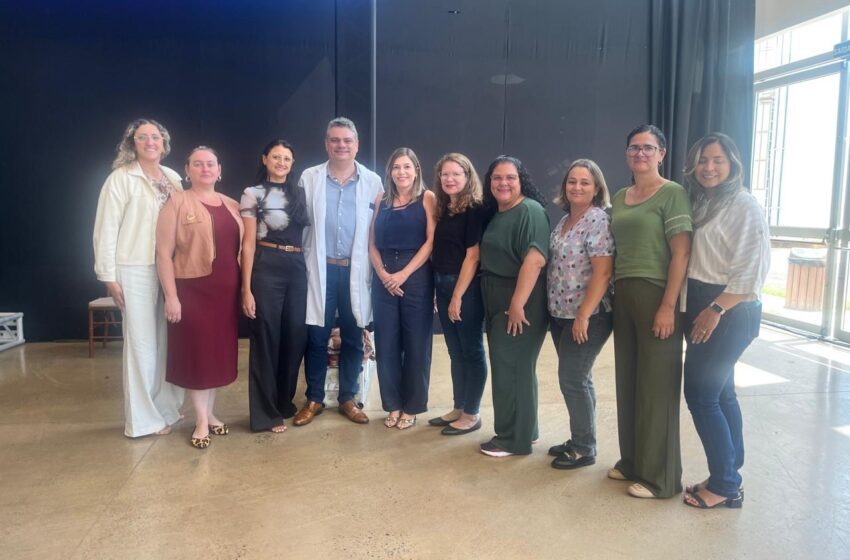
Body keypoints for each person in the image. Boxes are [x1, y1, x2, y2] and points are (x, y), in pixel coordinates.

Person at [681, 133, 769, 509]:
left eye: (717, 160)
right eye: (702, 160)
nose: (709, 167)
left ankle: (725, 485)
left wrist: (715, 309)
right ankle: (730, 471)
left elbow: (752, 271)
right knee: (722, 393)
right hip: (705, 301)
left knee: (700, 395)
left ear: (732, 163)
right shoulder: (704, 202)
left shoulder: (745, 205)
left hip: (730, 308)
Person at [610, 124, 692, 498]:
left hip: (656, 294)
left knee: (656, 387)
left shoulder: (672, 194)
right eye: (633, 148)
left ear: (662, 152)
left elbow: (682, 253)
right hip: (624, 294)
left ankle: (660, 478)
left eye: (648, 148)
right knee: (629, 381)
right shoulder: (621, 194)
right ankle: (633, 462)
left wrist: (667, 307)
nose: (640, 154)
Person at [93, 118, 185, 438]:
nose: (150, 142)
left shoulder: (173, 177)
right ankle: (143, 421)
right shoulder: (120, 178)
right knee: (142, 345)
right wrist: (108, 275)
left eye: (155, 137)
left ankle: (165, 408)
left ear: (164, 143)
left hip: (169, 268)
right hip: (134, 268)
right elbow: (106, 228)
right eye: (142, 137)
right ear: (132, 143)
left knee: (165, 343)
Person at [294, 117, 384, 426]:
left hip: (355, 271)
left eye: (347, 140)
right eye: (335, 140)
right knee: (316, 335)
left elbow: (378, 229)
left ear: (357, 145)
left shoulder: (373, 181)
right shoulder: (310, 177)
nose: (341, 145)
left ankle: (348, 396)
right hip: (320, 269)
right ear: (326, 144)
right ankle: (315, 398)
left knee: (353, 334)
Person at [155, 146, 243, 449]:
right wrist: (171, 296)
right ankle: (201, 421)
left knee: (217, 356)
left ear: (220, 170)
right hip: (192, 292)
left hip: (225, 294)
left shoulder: (232, 205)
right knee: (198, 356)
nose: (205, 169)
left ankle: (211, 413)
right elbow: (163, 255)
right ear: (187, 169)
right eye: (198, 164)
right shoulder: (176, 203)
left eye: (210, 164)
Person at [478, 156, 550, 457]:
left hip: (520, 300)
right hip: (497, 295)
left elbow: (535, 259)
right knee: (515, 367)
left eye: (510, 177)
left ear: (521, 180)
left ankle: (512, 439)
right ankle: (526, 430)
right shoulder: (499, 212)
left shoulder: (530, 211)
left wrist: (517, 304)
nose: (503, 183)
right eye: (497, 178)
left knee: (511, 368)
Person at [546, 159, 615, 469]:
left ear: (597, 188)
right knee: (579, 379)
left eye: (585, 182)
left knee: (572, 379)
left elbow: (602, 273)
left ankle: (584, 448)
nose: (577, 187)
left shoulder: (598, 220)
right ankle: (580, 439)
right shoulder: (563, 222)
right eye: (572, 181)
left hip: (588, 316)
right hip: (560, 313)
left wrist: (584, 315)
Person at [240, 140, 310, 433]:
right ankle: (265, 414)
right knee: (266, 339)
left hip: (297, 267)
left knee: (295, 338)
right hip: (266, 265)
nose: (282, 162)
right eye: (276, 157)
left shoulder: (300, 194)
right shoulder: (252, 194)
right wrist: (246, 289)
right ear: (265, 159)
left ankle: (284, 402)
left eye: (287, 158)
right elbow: (247, 243)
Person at [368, 147, 436, 430]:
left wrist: (404, 273)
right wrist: (383, 273)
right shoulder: (381, 198)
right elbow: (371, 242)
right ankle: (393, 405)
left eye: (407, 166)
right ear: (390, 172)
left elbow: (430, 241)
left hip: (416, 273)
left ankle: (412, 405)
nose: (401, 172)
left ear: (416, 170)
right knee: (386, 344)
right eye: (396, 167)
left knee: (416, 343)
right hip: (384, 273)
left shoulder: (427, 198)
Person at [428, 153, 488, 436]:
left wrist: (457, 297)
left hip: (464, 288)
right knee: (455, 352)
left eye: (456, 174)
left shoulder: (474, 209)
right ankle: (459, 406)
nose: (449, 179)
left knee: (472, 351)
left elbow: (472, 256)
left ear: (467, 177)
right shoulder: (445, 208)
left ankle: (472, 413)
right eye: (444, 175)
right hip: (441, 283)